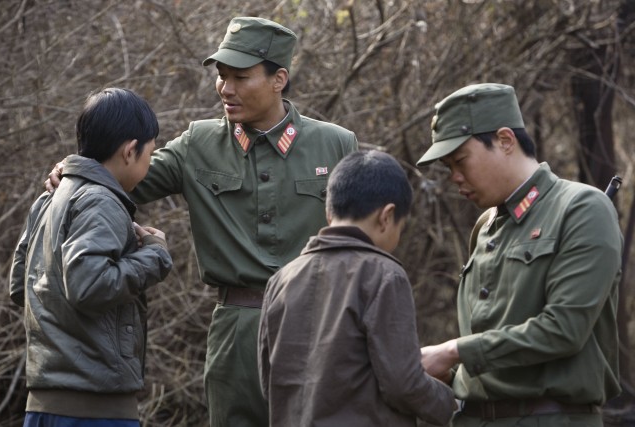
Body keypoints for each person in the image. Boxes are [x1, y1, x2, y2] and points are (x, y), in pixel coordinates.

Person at [45, 16, 358, 427]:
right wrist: (77, 174)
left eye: (240, 77)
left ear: (279, 78)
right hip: (236, 329)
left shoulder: (336, 144)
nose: (225, 89)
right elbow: (121, 179)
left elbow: (363, 246)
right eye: (221, 76)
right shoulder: (199, 144)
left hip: (320, 325)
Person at [416, 83, 622, 427]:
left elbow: (563, 329)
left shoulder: (581, 208)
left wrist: (454, 351)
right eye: (448, 167)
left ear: (505, 140)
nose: (454, 177)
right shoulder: (485, 225)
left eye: (460, 161)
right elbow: (491, 337)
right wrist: (446, 370)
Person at [10, 88, 173, 426]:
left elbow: (19, 285)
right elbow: (90, 285)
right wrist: (154, 255)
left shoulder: (49, 199)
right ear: (130, 151)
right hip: (95, 409)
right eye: (150, 154)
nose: (149, 163)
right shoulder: (101, 200)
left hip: (43, 406)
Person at [258, 150, 456, 427]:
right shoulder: (384, 275)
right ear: (387, 216)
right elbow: (403, 383)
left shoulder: (281, 280)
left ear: (329, 213)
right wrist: (457, 408)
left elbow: (269, 382)